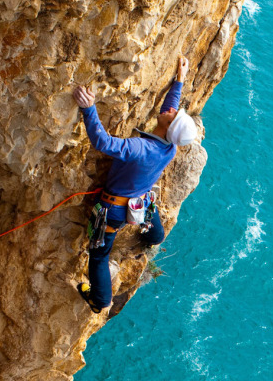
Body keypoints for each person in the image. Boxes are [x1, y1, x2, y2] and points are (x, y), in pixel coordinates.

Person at [72, 55, 198, 312]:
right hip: (140, 202)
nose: (171, 110)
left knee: (99, 254)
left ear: (170, 127)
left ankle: (100, 300)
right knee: (150, 222)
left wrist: (89, 110)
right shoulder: (170, 147)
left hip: (112, 210)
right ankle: (154, 237)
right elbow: (169, 114)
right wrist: (179, 80)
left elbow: (104, 143)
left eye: (173, 115)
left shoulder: (140, 148)